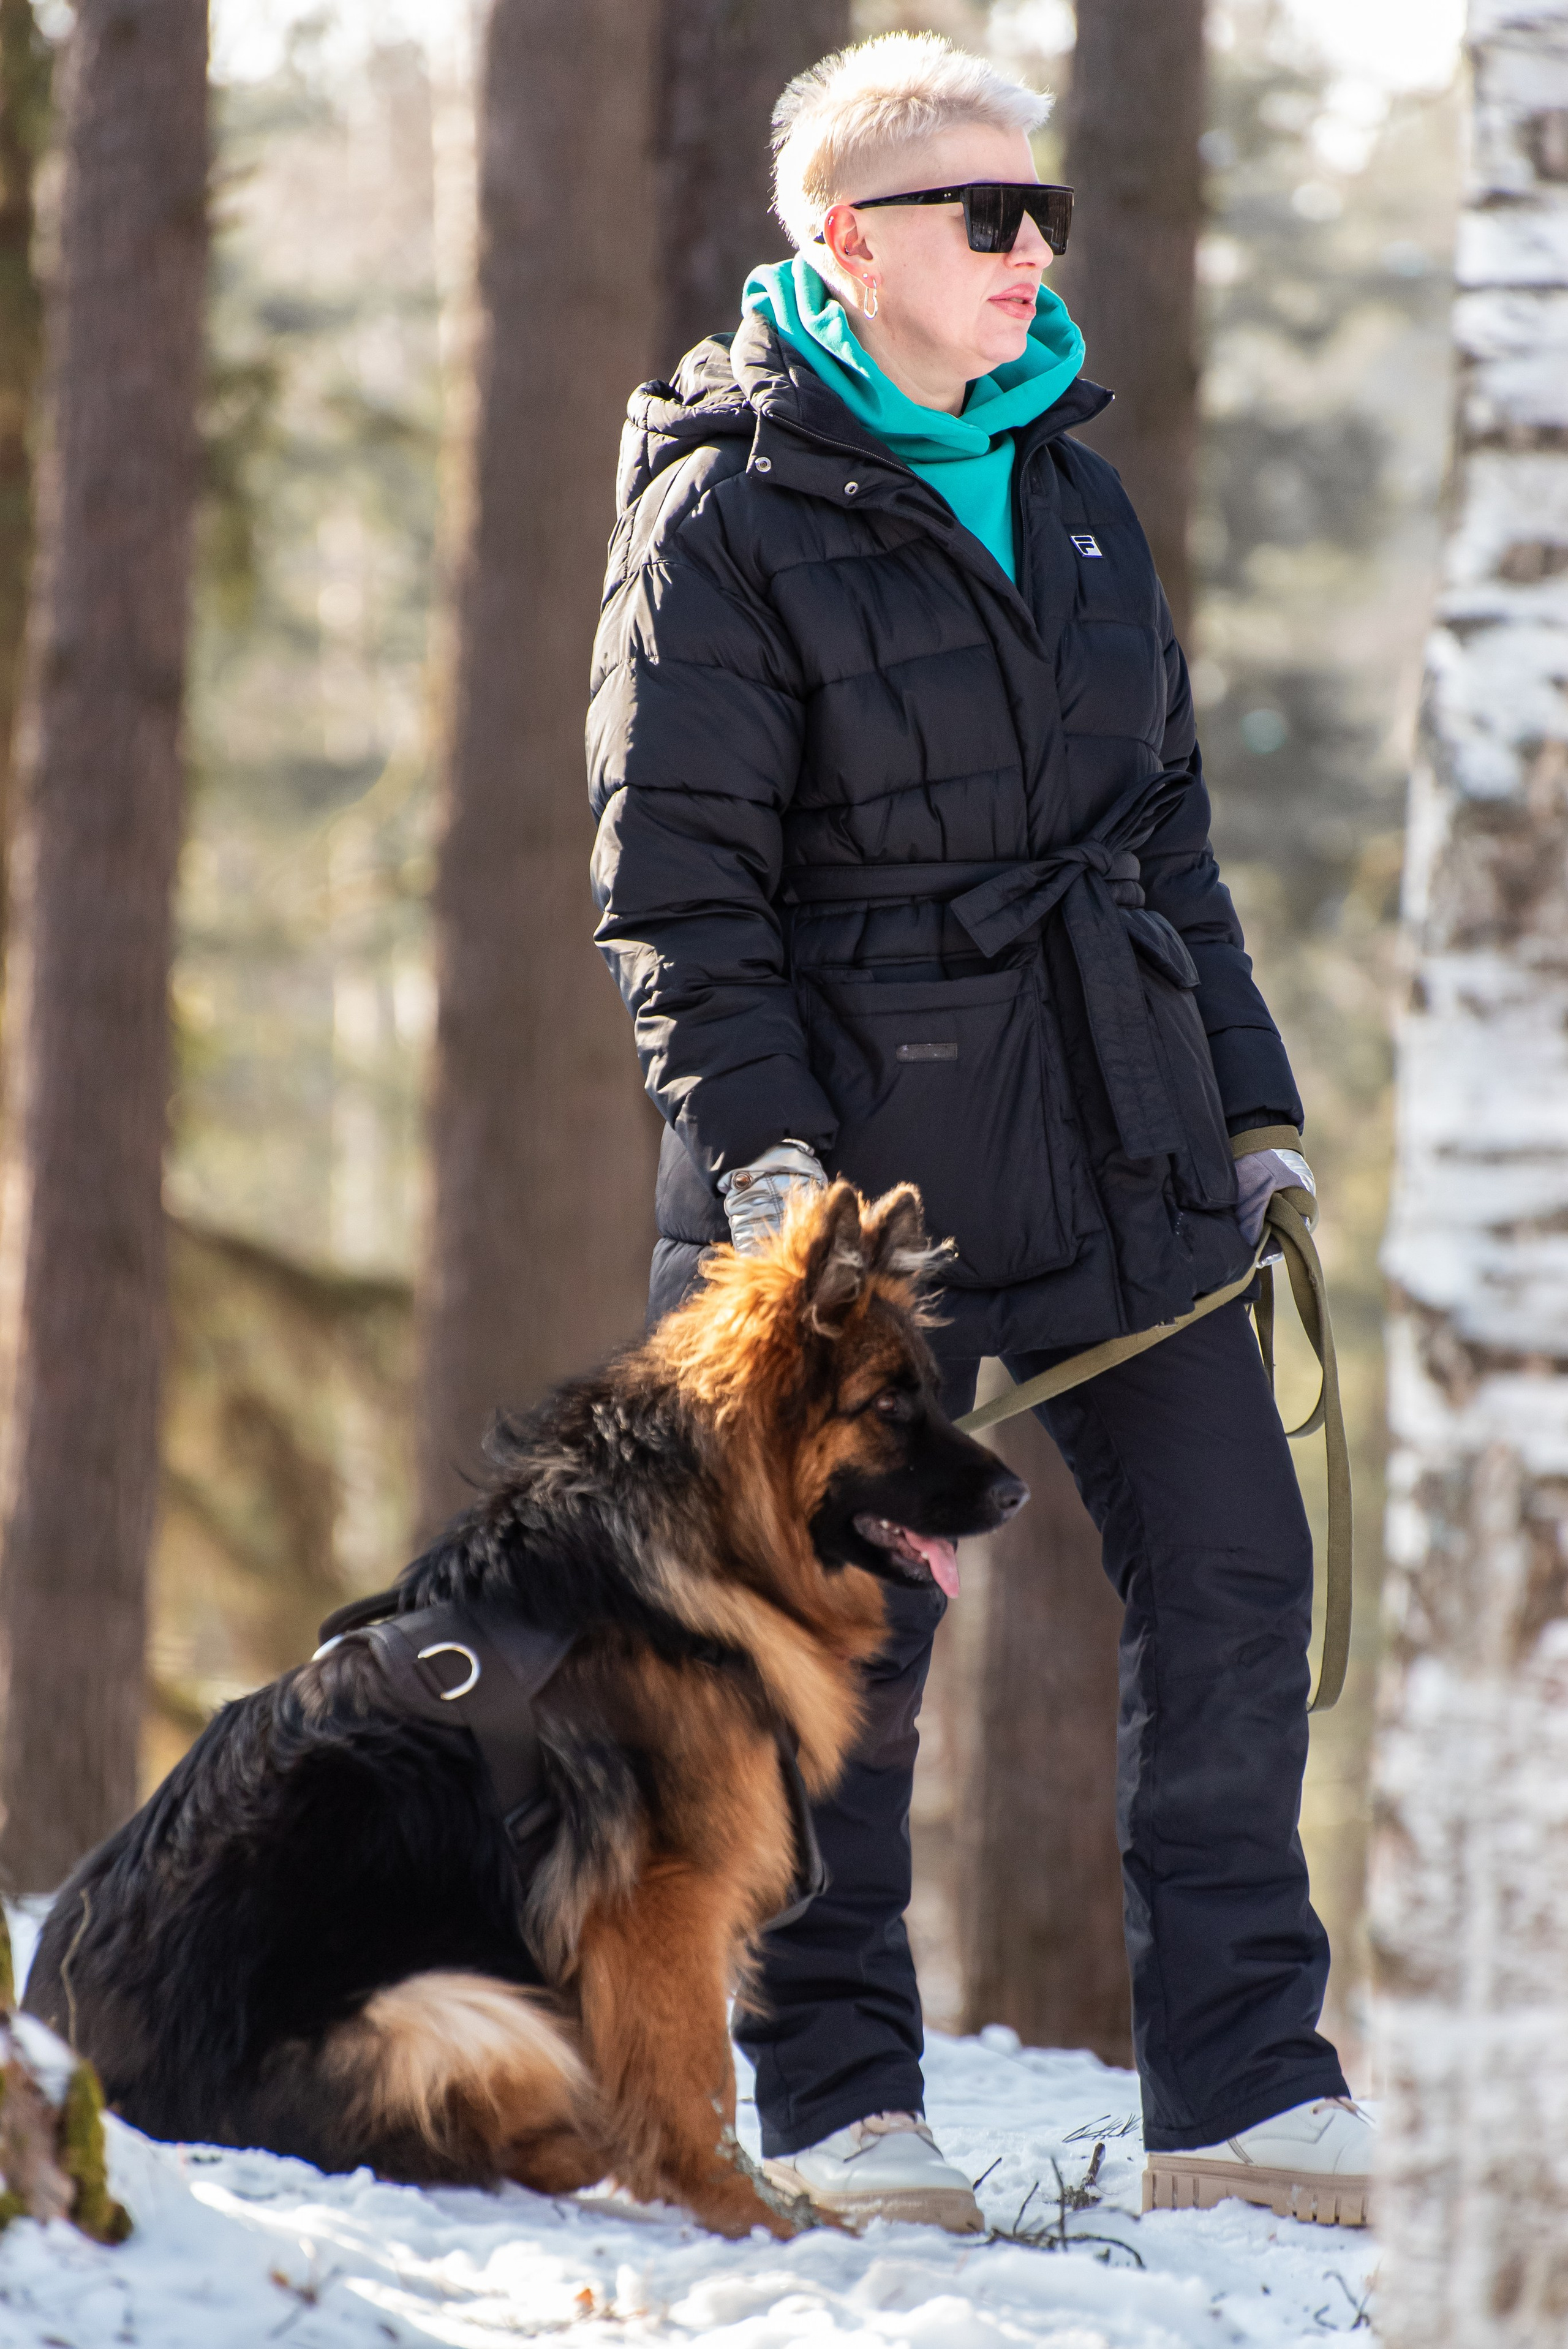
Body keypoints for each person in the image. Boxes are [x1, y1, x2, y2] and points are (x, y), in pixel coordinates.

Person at [587, 29, 1372, 2233]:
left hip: (1124, 1141)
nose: (1035, 251)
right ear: (847, 242)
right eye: (986, 215)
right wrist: (770, 1180)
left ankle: (1246, 2090)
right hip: (860, 1199)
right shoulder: (727, 514)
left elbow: (1169, 840)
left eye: (1044, 211)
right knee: (848, 1656)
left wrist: (1246, 1104)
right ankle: (841, 2104)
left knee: (1236, 1575)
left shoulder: (1083, 489)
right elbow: (678, 894)